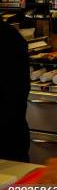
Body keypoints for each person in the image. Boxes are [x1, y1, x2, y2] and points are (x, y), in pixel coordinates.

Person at [0, 20, 30, 162]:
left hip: (7, 140)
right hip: (13, 134)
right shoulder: (12, 36)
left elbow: (14, 97)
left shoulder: (8, 39)